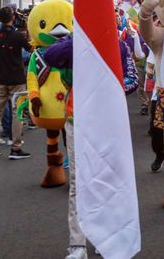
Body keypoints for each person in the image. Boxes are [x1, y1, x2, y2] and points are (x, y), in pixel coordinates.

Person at [41, 33, 138, 259]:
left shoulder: (120, 46)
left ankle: (109, 239)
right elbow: (50, 56)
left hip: (109, 123)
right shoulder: (75, 42)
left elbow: (132, 80)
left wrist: (109, 86)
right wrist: (80, 38)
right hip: (79, 121)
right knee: (79, 181)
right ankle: (77, 244)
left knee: (110, 180)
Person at [0, 6, 31, 160]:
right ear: (12, 18)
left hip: (0, 77)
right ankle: (16, 147)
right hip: (16, 78)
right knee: (17, 112)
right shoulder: (17, 36)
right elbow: (30, 47)